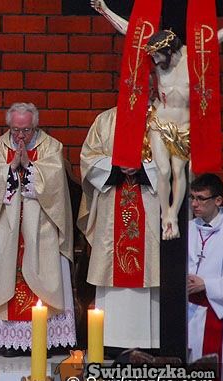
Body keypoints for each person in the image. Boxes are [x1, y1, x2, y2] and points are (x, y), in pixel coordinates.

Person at [91, 0, 223, 240]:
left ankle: (174, 216)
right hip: (161, 122)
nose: (155, 62)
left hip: (184, 126)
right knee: (162, 169)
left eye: (159, 56)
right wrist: (105, 10)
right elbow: (130, 32)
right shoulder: (158, 61)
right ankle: (165, 216)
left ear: (170, 51)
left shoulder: (196, 56)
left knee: (180, 171)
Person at [0, 103, 76, 356]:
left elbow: (55, 186)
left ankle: (46, 338)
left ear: (35, 126)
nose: (20, 136)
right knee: (7, 273)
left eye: (26, 130)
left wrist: (30, 168)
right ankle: (10, 340)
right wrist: (9, 169)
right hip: (8, 228)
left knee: (44, 274)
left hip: (42, 229)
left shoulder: (51, 147)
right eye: (15, 130)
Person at [77, 107, 161, 350]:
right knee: (111, 268)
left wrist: (143, 167)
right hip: (112, 201)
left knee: (150, 266)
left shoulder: (165, 118)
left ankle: (150, 342)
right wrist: (116, 165)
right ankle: (111, 341)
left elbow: (179, 161)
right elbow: (88, 157)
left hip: (150, 202)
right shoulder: (105, 120)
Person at [187, 174, 223, 381]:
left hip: (217, 315)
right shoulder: (187, 229)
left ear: (218, 200)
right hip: (187, 315)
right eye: (192, 198)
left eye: (201, 198)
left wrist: (205, 284)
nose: (194, 204)